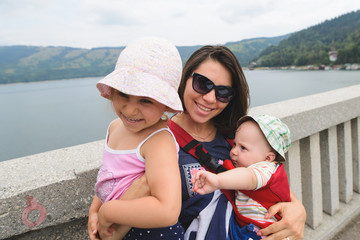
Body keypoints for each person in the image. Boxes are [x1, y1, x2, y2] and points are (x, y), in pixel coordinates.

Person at [88, 44, 306, 240]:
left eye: (222, 92)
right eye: (202, 84)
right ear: (185, 80)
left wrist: (297, 208)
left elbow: (267, 177)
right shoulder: (156, 139)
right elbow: (117, 175)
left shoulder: (235, 139)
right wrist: (98, 209)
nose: (210, 98)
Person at [88, 37, 185, 240]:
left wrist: (109, 211)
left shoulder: (158, 141)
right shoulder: (115, 127)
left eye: (145, 100)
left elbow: (167, 210)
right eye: (123, 94)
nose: (131, 110)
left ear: (165, 104)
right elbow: (108, 176)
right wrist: (95, 210)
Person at [192, 115, 292, 239]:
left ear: (267, 158)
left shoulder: (266, 169)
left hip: (262, 233)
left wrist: (218, 180)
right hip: (248, 228)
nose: (233, 151)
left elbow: (250, 178)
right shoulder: (254, 166)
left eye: (243, 148)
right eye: (234, 144)